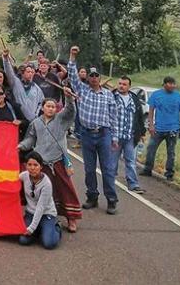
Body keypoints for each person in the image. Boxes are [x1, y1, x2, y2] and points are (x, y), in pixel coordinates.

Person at [18, 90, 82, 232]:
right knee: (45, 191)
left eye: (53, 107)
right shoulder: (35, 123)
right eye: (48, 106)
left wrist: (68, 97)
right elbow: (30, 139)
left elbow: (71, 111)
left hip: (58, 160)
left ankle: (72, 219)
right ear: (42, 107)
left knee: (66, 188)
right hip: (42, 162)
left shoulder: (61, 119)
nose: (51, 109)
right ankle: (46, 217)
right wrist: (21, 146)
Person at [67, 46, 119, 214]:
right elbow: (72, 75)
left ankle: (111, 199)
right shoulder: (82, 90)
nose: (94, 78)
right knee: (89, 169)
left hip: (104, 134)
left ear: (100, 78)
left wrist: (115, 138)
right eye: (91, 75)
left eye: (97, 75)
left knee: (107, 169)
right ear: (88, 78)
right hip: (87, 135)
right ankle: (92, 197)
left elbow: (113, 118)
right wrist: (72, 56)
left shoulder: (108, 95)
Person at [141, 76, 180, 181]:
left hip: (173, 129)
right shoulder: (156, 95)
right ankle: (147, 169)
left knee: (171, 152)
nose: (172, 86)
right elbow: (151, 110)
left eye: (174, 84)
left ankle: (169, 173)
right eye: (170, 84)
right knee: (151, 148)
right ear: (164, 84)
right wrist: (151, 125)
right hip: (158, 128)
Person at [18, 151, 61, 250]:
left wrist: (31, 228)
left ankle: (57, 227)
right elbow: (11, 181)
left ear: (41, 167)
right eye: (29, 165)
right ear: (25, 165)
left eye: (35, 165)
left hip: (46, 214)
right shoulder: (24, 176)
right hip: (30, 213)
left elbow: (41, 208)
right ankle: (39, 229)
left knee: (48, 243)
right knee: (23, 240)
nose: (32, 168)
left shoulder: (46, 184)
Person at [112, 76, 146, 193]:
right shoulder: (112, 96)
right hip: (115, 137)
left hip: (130, 136)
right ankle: (109, 182)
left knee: (131, 161)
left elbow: (139, 116)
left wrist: (142, 132)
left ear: (129, 86)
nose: (121, 86)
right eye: (120, 83)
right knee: (112, 161)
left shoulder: (134, 99)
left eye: (124, 84)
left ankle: (133, 184)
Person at [2, 50, 45, 122]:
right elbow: (9, 73)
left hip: (32, 120)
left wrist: (36, 114)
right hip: (17, 119)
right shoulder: (16, 83)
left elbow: (42, 102)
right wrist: (5, 59)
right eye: (28, 72)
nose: (30, 74)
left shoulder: (37, 88)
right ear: (22, 73)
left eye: (32, 72)